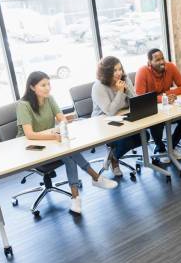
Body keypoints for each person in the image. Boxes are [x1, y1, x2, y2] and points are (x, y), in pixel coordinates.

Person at [17, 71, 118, 215]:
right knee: (69, 158)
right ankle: (94, 180)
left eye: (48, 84)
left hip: (50, 141)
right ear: (32, 87)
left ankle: (79, 195)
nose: (47, 88)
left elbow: (62, 119)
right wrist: (54, 135)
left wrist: (61, 127)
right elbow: (29, 134)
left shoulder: (49, 99)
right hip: (31, 147)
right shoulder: (24, 105)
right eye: (43, 85)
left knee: (70, 153)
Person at [91, 56, 145, 177]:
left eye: (120, 69)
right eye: (114, 70)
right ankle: (114, 160)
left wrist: (128, 89)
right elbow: (110, 111)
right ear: (106, 72)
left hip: (122, 117)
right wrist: (120, 92)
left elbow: (135, 100)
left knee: (144, 136)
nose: (119, 73)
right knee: (124, 140)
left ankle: (113, 155)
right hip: (104, 122)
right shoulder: (98, 86)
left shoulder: (124, 79)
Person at [135, 48, 181, 163]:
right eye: (157, 60)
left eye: (162, 58)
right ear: (149, 62)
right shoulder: (142, 71)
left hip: (168, 107)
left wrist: (169, 94)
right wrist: (163, 98)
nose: (162, 62)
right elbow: (140, 98)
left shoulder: (170, 67)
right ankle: (160, 149)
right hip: (151, 109)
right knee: (157, 124)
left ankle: (171, 147)